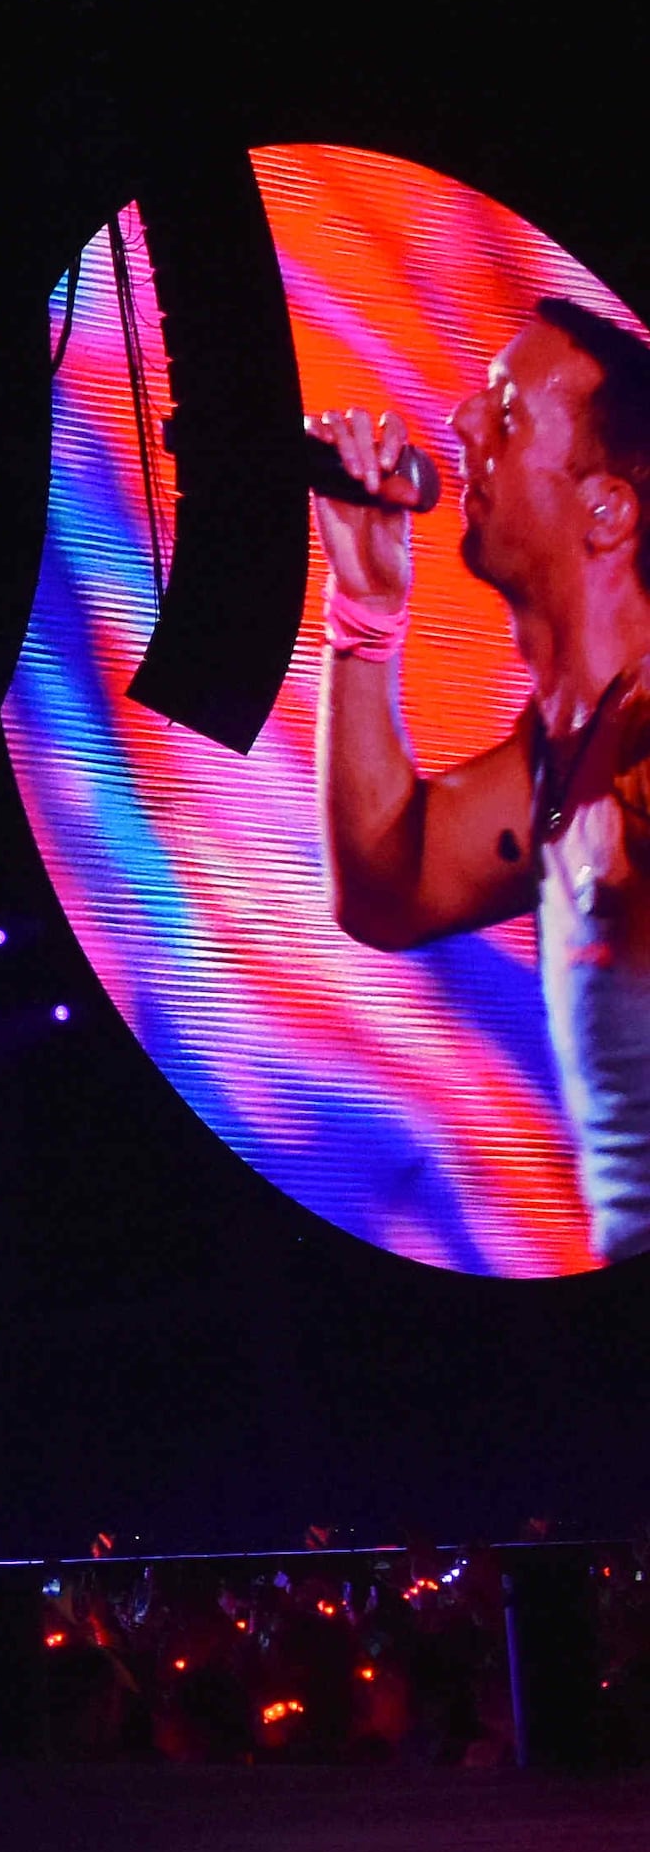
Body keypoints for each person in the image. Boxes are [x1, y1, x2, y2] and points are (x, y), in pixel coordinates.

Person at [310, 298, 650, 1256]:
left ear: (608, 509)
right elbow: (388, 887)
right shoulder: (565, 756)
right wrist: (364, 617)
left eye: (504, 414)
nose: (459, 421)